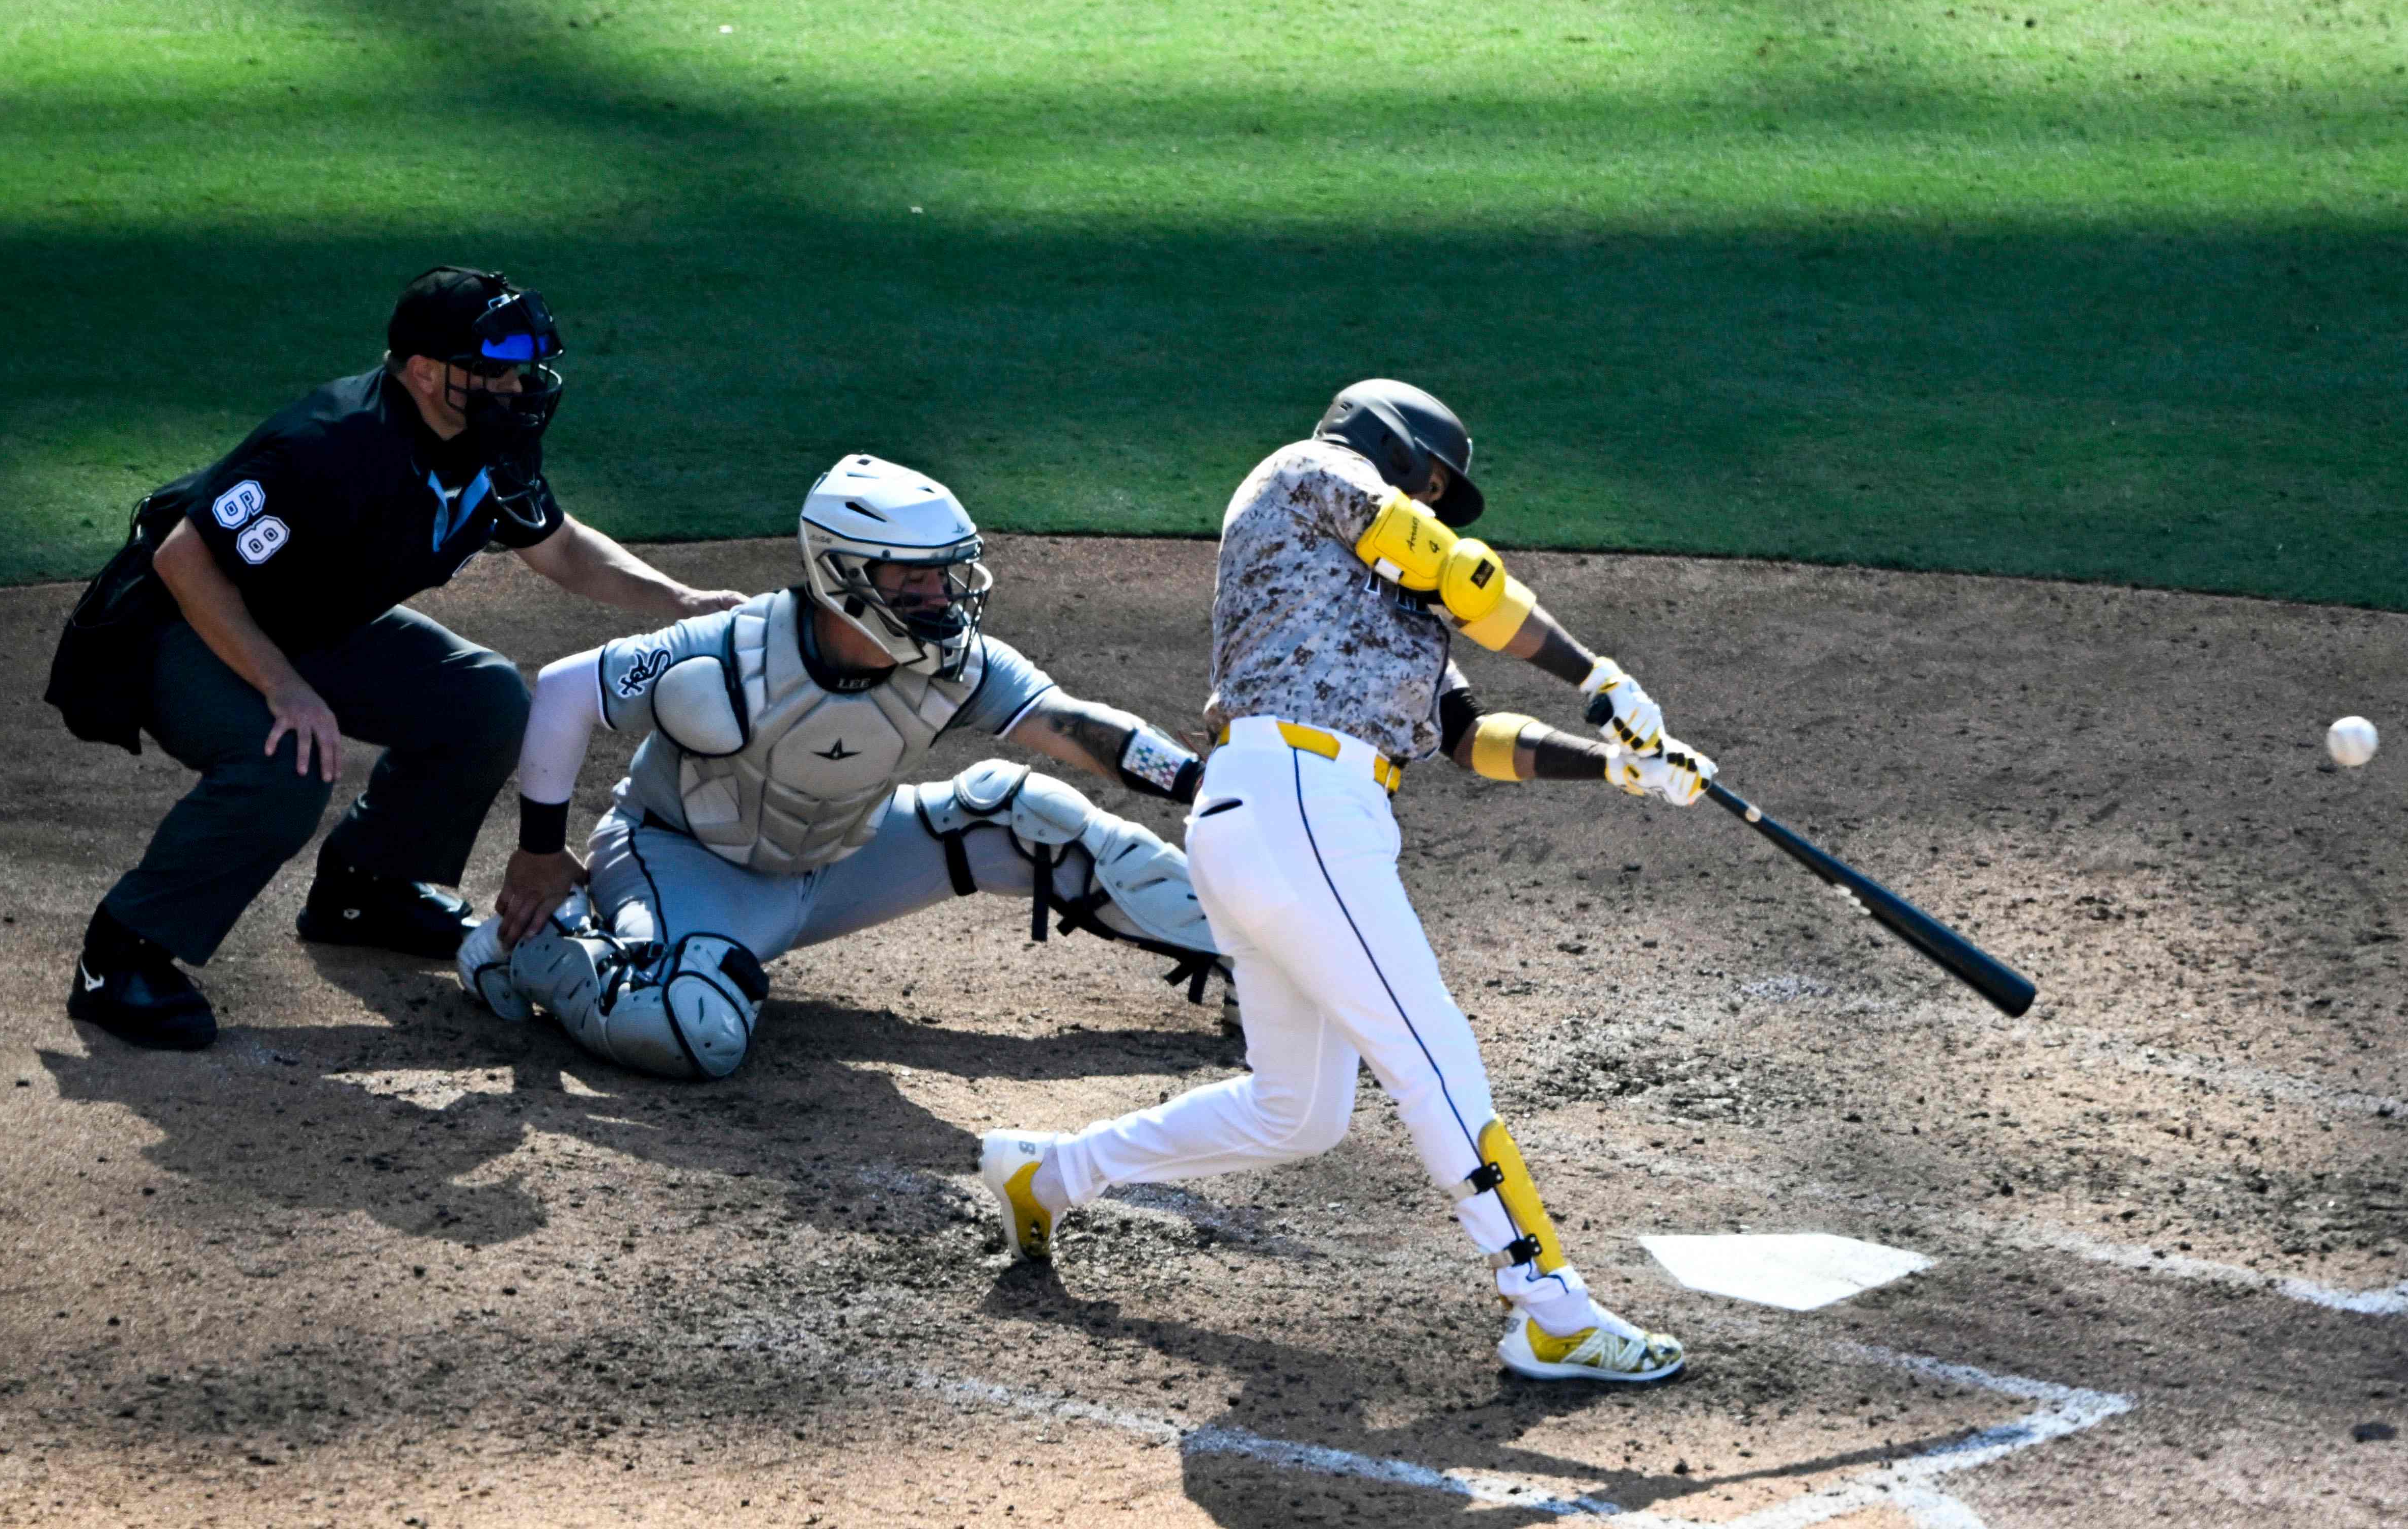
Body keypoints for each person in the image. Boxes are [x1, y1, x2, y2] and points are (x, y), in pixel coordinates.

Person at [971, 379, 1714, 1386]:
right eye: (1441, 482)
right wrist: (1598, 679)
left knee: (1298, 1110)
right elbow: (1460, 571)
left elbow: (1467, 738)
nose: (1446, 503)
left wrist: (1617, 764)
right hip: (1297, 802)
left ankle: (1049, 1173)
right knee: (1434, 1059)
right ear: (1400, 451)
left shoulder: (1388, 595)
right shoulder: (1311, 476)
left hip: (1282, 821)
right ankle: (1550, 1309)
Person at [54, 267, 742, 1051]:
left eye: (523, 369)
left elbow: (559, 547)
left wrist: (682, 600)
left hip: (307, 624)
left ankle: (366, 887)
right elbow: (185, 559)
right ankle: (122, 953)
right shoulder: (329, 443)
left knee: (485, 702)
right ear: (422, 372)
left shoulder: (482, 439)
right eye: (493, 370)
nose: (517, 387)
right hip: (175, 628)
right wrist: (285, 689)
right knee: (287, 760)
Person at [455, 454, 1219, 1079]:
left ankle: (1258, 956)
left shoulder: (956, 664)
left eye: (947, 576)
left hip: (841, 865)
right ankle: (548, 949)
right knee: (690, 1032)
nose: (940, 599)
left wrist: (1199, 781)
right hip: (688, 863)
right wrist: (539, 853)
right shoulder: (729, 653)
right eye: (913, 579)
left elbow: (1078, 729)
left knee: (1028, 815)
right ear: (842, 573)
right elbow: (563, 692)